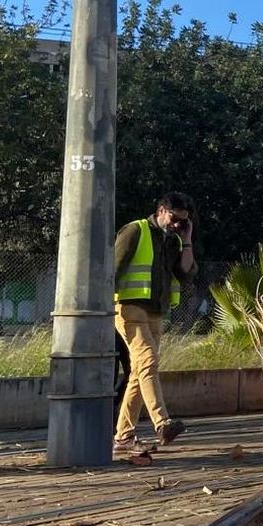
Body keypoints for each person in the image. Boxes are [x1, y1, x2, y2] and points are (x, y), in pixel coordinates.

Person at [113, 192, 197, 455]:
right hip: (130, 308)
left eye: (182, 222)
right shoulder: (134, 231)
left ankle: (124, 437)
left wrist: (187, 240)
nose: (176, 225)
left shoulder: (173, 240)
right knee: (148, 360)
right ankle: (163, 423)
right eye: (174, 218)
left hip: (155, 313)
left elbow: (185, 274)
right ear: (161, 210)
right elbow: (112, 268)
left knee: (139, 373)